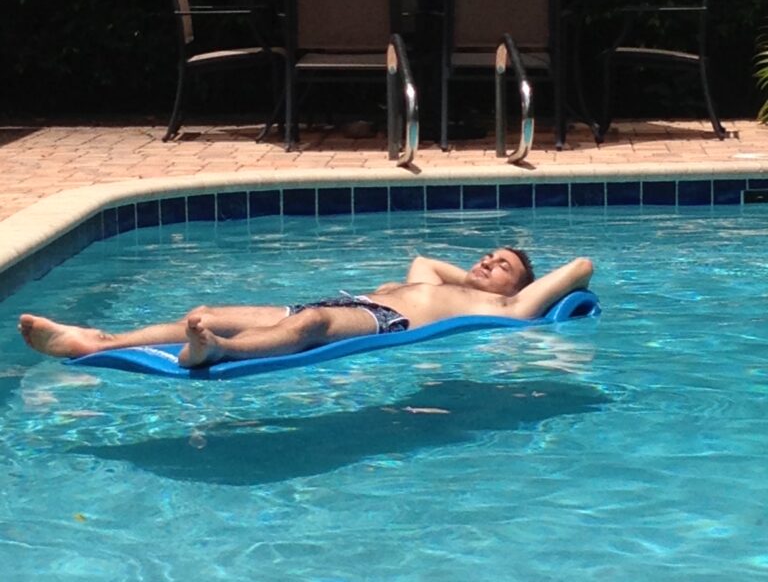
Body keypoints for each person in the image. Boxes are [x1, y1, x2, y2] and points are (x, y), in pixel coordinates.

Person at [18, 249, 593, 369]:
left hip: (383, 322)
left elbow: (581, 266)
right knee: (207, 308)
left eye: (502, 265)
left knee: (312, 325)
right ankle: (97, 340)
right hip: (349, 302)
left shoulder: (507, 308)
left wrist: (509, 287)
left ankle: (220, 352)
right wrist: (472, 273)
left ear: (521, 287)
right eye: (488, 255)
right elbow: (424, 258)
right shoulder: (432, 280)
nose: (489, 262)